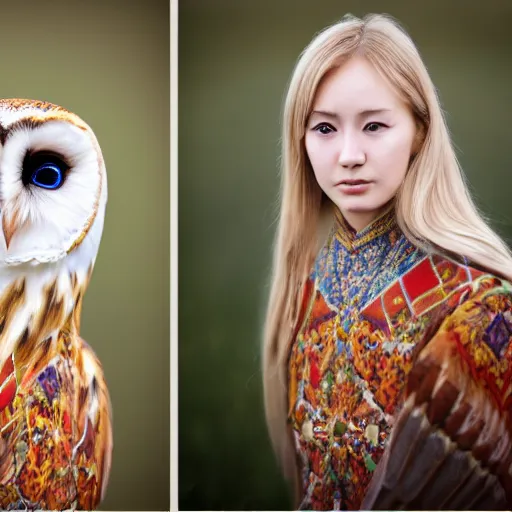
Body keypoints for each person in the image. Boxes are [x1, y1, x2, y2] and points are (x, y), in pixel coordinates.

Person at [262, 12, 512, 511]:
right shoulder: (304, 287)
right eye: (325, 128)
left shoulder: (482, 308)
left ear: (420, 132)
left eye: (374, 125)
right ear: (301, 141)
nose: (349, 155)